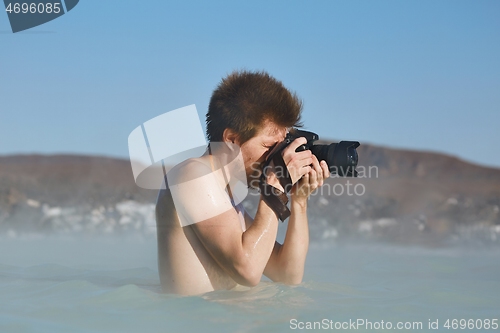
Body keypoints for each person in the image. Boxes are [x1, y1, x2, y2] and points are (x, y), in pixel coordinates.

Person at [155, 70, 330, 295]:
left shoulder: (224, 192)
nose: (274, 157)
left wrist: (299, 201)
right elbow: (247, 271)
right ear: (231, 140)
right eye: (269, 148)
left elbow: (288, 275)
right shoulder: (193, 176)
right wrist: (274, 188)